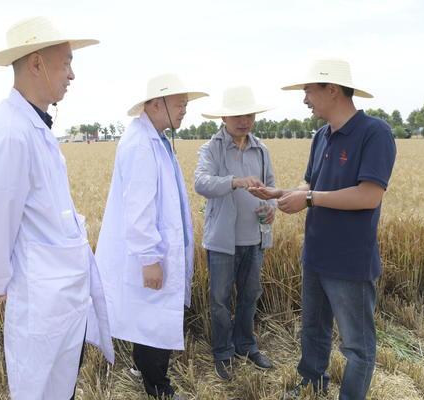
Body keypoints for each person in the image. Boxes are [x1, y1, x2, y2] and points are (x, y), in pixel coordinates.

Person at [0, 16, 114, 399]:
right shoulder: (12, 131)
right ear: (36, 63)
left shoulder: (32, 124)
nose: (72, 74)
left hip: (59, 294)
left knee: (58, 386)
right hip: (41, 298)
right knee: (40, 388)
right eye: (65, 62)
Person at [249, 59, 396, 400]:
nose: (305, 100)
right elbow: (310, 184)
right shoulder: (321, 136)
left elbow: (369, 195)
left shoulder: (375, 133)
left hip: (350, 261)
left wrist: (309, 198)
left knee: (357, 346)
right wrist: (282, 194)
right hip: (315, 254)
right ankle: (311, 384)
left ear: (331, 90)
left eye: (308, 91)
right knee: (313, 331)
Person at [95, 73, 207, 399]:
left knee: (146, 316)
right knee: (154, 319)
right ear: (156, 104)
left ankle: (141, 367)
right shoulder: (142, 145)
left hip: (156, 250)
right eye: (180, 104)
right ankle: (159, 387)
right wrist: (150, 259)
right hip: (150, 254)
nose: (185, 110)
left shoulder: (152, 137)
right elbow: (139, 209)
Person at [194, 86, 276, 380]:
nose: (245, 120)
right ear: (225, 117)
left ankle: (246, 345)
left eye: (249, 114)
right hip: (222, 243)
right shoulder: (211, 149)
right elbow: (201, 183)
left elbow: (272, 188)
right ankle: (223, 352)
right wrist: (235, 181)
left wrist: (271, 208)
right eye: (238, 115)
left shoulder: (261, 149)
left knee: (250, 296)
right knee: (219, 299)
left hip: (255, 239)